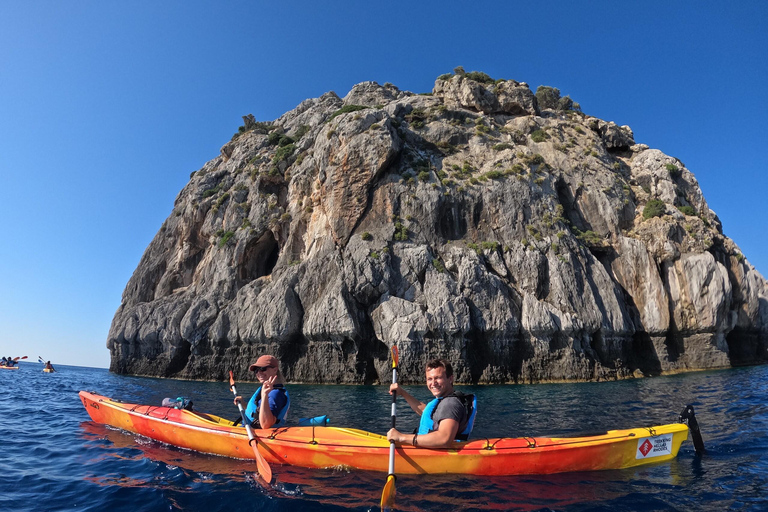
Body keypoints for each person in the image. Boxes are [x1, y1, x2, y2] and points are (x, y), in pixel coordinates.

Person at [386, 358, 476, 449]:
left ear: (450, 379)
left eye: (438, 378)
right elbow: (425, 411)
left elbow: (444, 439)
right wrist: (402, 392)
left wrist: (402, 437)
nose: (433, 383)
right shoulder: (445, 400)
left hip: (438, 456)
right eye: (430, 379)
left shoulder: (450, 404)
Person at [234, 355, 290, 429]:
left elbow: (266, 424)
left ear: (275, 370)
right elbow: (259, 412)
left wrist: (265, 395)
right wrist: (244, 404)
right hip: (249, 428)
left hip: (255, 434)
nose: (259, 372)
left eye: (263, 369)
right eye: (256, 370)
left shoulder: (275, 394)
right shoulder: (268, 389)